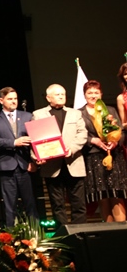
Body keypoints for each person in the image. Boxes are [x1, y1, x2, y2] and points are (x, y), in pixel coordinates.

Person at [32, 84, 87, 226]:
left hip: (73, 162)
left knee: (78, 202)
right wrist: (37, 156)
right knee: (57, 204)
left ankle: (80, 232)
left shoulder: (75, 113)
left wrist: (72, 148)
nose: (61, 96)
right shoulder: (38, 114)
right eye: (57, 94)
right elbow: (34, 138)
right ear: (48, 98)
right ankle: (63, 233)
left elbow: (82, 134)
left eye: (63, 94)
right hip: (52, 166)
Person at [0, 87, 39, 227]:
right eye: (10, 99)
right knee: (9, 205)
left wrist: (34, 161)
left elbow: (36, 139)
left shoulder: (27, 116)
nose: (13, 101)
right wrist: (14, 142)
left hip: (26, 166)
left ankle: (36, 234)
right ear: (1, 100)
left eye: (15, 98)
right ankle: (10, 235)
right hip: (6, 166)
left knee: (30, 203)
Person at [79, 80, 126, 222]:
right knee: (102, 197)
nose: (93, 95)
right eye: (90, 93)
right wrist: (92, 140)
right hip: (93, 158)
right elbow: (77, 135)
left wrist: (115, 141)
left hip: (113, 156)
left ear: (101, 94)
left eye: (96, 92)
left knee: (116, 195)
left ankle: (122, 231)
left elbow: (121, 131)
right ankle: (109, 232)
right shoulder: (79, 113)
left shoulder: (110, 110)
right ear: (84, 95)